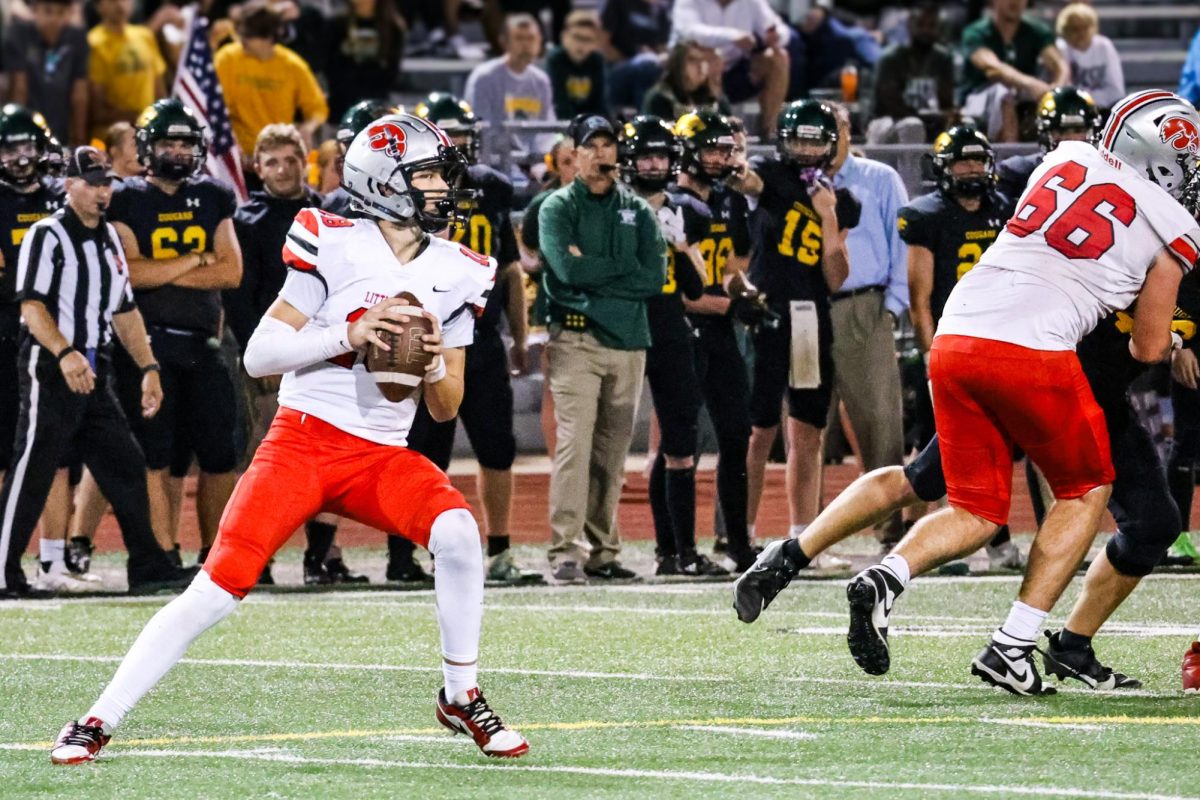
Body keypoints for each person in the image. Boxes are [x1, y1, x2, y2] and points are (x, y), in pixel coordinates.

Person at [49, 113, 529, 763]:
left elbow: (445, 410)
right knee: (216, 591)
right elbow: (261, 355)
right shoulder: (328, 238)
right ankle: (98, 717)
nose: (444, 187)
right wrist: (349, 336)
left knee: (459, 533)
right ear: (385, 181)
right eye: (427, 174)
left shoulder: (462, 267)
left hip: (383, 454)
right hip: (301, 441)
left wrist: (436, 359)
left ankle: (460, 693)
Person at [850, 90, 1200, 695]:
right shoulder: (1176, 224)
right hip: (1039, 353)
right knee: (1087, 488)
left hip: (960, 332)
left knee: (975, 507)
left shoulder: (1061, 160)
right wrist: (1171, 337)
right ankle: (1012, 645)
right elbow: (1146, 350)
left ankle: (887, 575)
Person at [0, 146, 195, 597]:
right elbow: (31, 306)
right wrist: (65, 354)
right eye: (91, 182)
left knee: (125, 463)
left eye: (106, 182)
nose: (101, 191)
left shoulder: (109, 239)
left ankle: (149, 566)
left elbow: (124, 310)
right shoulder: (47, 235)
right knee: (32, 468)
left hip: (95, 367)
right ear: (68, 186)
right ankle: (3, 569)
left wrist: (148, 366)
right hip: (51, 366)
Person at [225, 123, 366, 586]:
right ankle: (255, 559)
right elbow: (241, 297)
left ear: (304, 161)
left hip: (323, 348)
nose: (283, 170)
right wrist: (261, 354)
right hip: (273, 350)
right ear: (257, 168)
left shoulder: (326, 213)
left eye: (290, 160)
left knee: (330, 454)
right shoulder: (248, 220)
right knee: (264, 458)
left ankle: (322, 558)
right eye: (272, 162)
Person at [410, 92, 541, 585]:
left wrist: (520, 338)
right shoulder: (408, 191)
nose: (455, 148)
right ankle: (424, 548)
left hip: (482, 336)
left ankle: (501, 548)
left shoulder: (490, 187)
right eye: (447, 138)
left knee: (497, 446)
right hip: (429, 337)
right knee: (426, 450)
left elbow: (509, 271)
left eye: (461, 138)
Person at [108, 98, 242, 564]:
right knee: (156, 456)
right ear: (147, 146)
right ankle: (161, 555)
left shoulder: (213, 196)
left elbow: (230, 272)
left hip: (203, 344)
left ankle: (217, 554)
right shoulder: (125, 196)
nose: (179, 151)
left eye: (186, 142)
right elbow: (132, 275)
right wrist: (195, 259)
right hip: (148, 345)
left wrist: (164, 268)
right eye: (168, 141)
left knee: (219, 454)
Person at [539, 113, 667, 582]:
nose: (601, 154)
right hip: (577, 340)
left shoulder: (637, 209)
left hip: (631, 342)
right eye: (591, 145)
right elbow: (565, 273)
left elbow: (654, 277)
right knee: (575, 446)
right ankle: (565, 550)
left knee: (613, 454)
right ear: (573, 153)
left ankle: (604, 551)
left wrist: (594, 268)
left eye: (608, 145)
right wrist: (622, 268)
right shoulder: (557, 208)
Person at [728, 100, 858, 548]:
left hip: (809, 317)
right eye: (798, 138)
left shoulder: (841, 200)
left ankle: (804, 536)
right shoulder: (771, 174)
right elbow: (747, 179)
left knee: (807, 430)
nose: (805, 148)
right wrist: (736, 167)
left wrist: (827, 216)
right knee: (759, 429)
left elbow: (837, 277)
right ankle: (738, 533)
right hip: (766, 312)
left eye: (813, 140)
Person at [619, 114, 726, 577]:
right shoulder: (614, 206)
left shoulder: (687, 211)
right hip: (621, 325)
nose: (653, 163)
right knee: (605, 445)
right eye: (645, 155)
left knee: (681, 439)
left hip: (668, 325)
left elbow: (697, 284)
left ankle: (678, 551)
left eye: (660, 155)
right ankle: (593, 551)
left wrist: (680, 245)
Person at [671, 109, 758, 572]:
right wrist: (726, 303)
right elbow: (678, 290)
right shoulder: (670, 203)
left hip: (720, 330)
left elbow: (739, 260)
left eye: (725, 149)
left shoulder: (730, 199)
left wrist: (741, 293)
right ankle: (676, 550)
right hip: (683, 332)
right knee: (679, 441)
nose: (721, 157)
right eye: (710, 148)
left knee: (735, 434)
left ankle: (737, 542)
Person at [826, 102, 909, 552]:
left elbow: (903, 243)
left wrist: (893, 306)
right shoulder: (801, 182)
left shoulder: (879, 178)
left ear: (848, 131)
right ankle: (807, 535)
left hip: (865, 304)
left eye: (835, 128)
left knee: (880, 422)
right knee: (805, 428)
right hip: (812, 306)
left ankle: (889, 530)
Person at [519, 136, 578, 459]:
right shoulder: (544, 204)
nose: (574, 169)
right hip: (555, 302)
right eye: (566, 162)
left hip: (599, 304)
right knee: (555, 387)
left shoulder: (606, 201)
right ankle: (560, 463)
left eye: (577, 159)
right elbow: (526, 251)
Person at [213, 0, 328, 158]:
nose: (242, 41)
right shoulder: (227, 58)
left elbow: (318, 108)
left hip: (276, 155)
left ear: (269, 36)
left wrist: (307, 129)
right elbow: (215, 107)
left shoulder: (292, 65)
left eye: (248, 36)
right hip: (238, 154)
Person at [669, 0, 790, 138]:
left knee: (778, 57)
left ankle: (769, 132)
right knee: (704, 54)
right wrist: (732, 36)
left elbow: (780, 29)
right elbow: (689, 31)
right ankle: (695, 131)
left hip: (736, 68)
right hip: (697, 68)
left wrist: (776, 36)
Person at [959, 0, 1068, 142]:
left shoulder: (1036, 31)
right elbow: (993, 69)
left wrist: (1057, 89)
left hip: (1022, 93)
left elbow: (1060, 65)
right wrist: (1031, 84)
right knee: (1003, 93)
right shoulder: (975, 32)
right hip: (978, 97)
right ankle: (1009, 157)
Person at [464, 13, 556, 162]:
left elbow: (545, 131)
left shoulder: (541, 81)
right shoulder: (484, 78)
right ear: (504, 42)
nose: (526, 45)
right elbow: (481, 130)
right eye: (519, 38)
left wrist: (539, 163)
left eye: (531, 38)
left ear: (540, 41)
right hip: (495, 159)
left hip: (534, 160)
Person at [3, 0, 89, 145]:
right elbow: (19, 88)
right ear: (34, 10)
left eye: (60, 13)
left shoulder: (77, 37)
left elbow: (79, 93)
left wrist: (79, 140)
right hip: (30, 123)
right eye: (48, 11)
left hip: (62, 123)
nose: (54, 19)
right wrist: (19, 134)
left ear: (69, 13)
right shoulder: (19, 33)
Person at [869, 1, 955, 144]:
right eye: (921, 24)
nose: (926, 31)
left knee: (964, 125)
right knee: (912, 125)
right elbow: (891, 106)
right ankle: (910, 167)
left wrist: (950, 115)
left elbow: (946, 101)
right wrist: (928, 118)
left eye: (931, 26)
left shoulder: (943, 59)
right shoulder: (891, 58)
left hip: (927, 121)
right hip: (887, 121)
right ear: (910, 24)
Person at [996, 86, 1099, 201]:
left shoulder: (1104, 173)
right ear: (1044, 132)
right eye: (1061, 131)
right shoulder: (1018, 173)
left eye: (1078, 131)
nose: (1071, 139)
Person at [87, 0, 167, 140]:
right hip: (112, 138)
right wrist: (136, 116)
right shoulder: (93, 43)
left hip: (149, 133)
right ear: (99, 6)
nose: (120, 4)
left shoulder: (145, 35)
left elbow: (160, 90)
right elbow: (97, 108)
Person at [324, 0, 407, 122]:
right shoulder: (336, 23)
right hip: (340, 106)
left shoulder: (393, 27)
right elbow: (329, 66)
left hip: (376, 104)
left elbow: (391, 73)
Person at [600, 0, 671, 112]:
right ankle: (645, 120)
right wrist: (632, 60)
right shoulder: (618, 3)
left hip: (650, 66)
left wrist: (655, 56)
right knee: (645, 69)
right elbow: (603, 43)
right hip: (618, 67)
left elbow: (662, 47)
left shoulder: (660, 11)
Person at [641, 41, 731, 124]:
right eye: (692, 60)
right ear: (679, 64)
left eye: (704, 59)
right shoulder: (660, 97)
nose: (700, 65)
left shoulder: (714, 95)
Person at [1055, 3, 1123, 112]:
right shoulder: (1060, 48)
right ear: (1065, 30)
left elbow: (1116, 91)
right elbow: (1062, 90)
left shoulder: (1104, 46)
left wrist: (1086, 100)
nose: (1081, 33)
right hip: (1070, 111)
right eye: (1075, 29)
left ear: (1093, 28)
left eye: (1085, 27)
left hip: (1103, 109)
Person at [546, 10, 608, 121]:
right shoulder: (555, 59)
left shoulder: (597, 61)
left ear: (596, 43)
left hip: (588, 126)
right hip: (558, 123)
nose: (581, 44)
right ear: (564, 37)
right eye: (577, 37)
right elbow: (559, 102)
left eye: (588, 39)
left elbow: (600, 103)